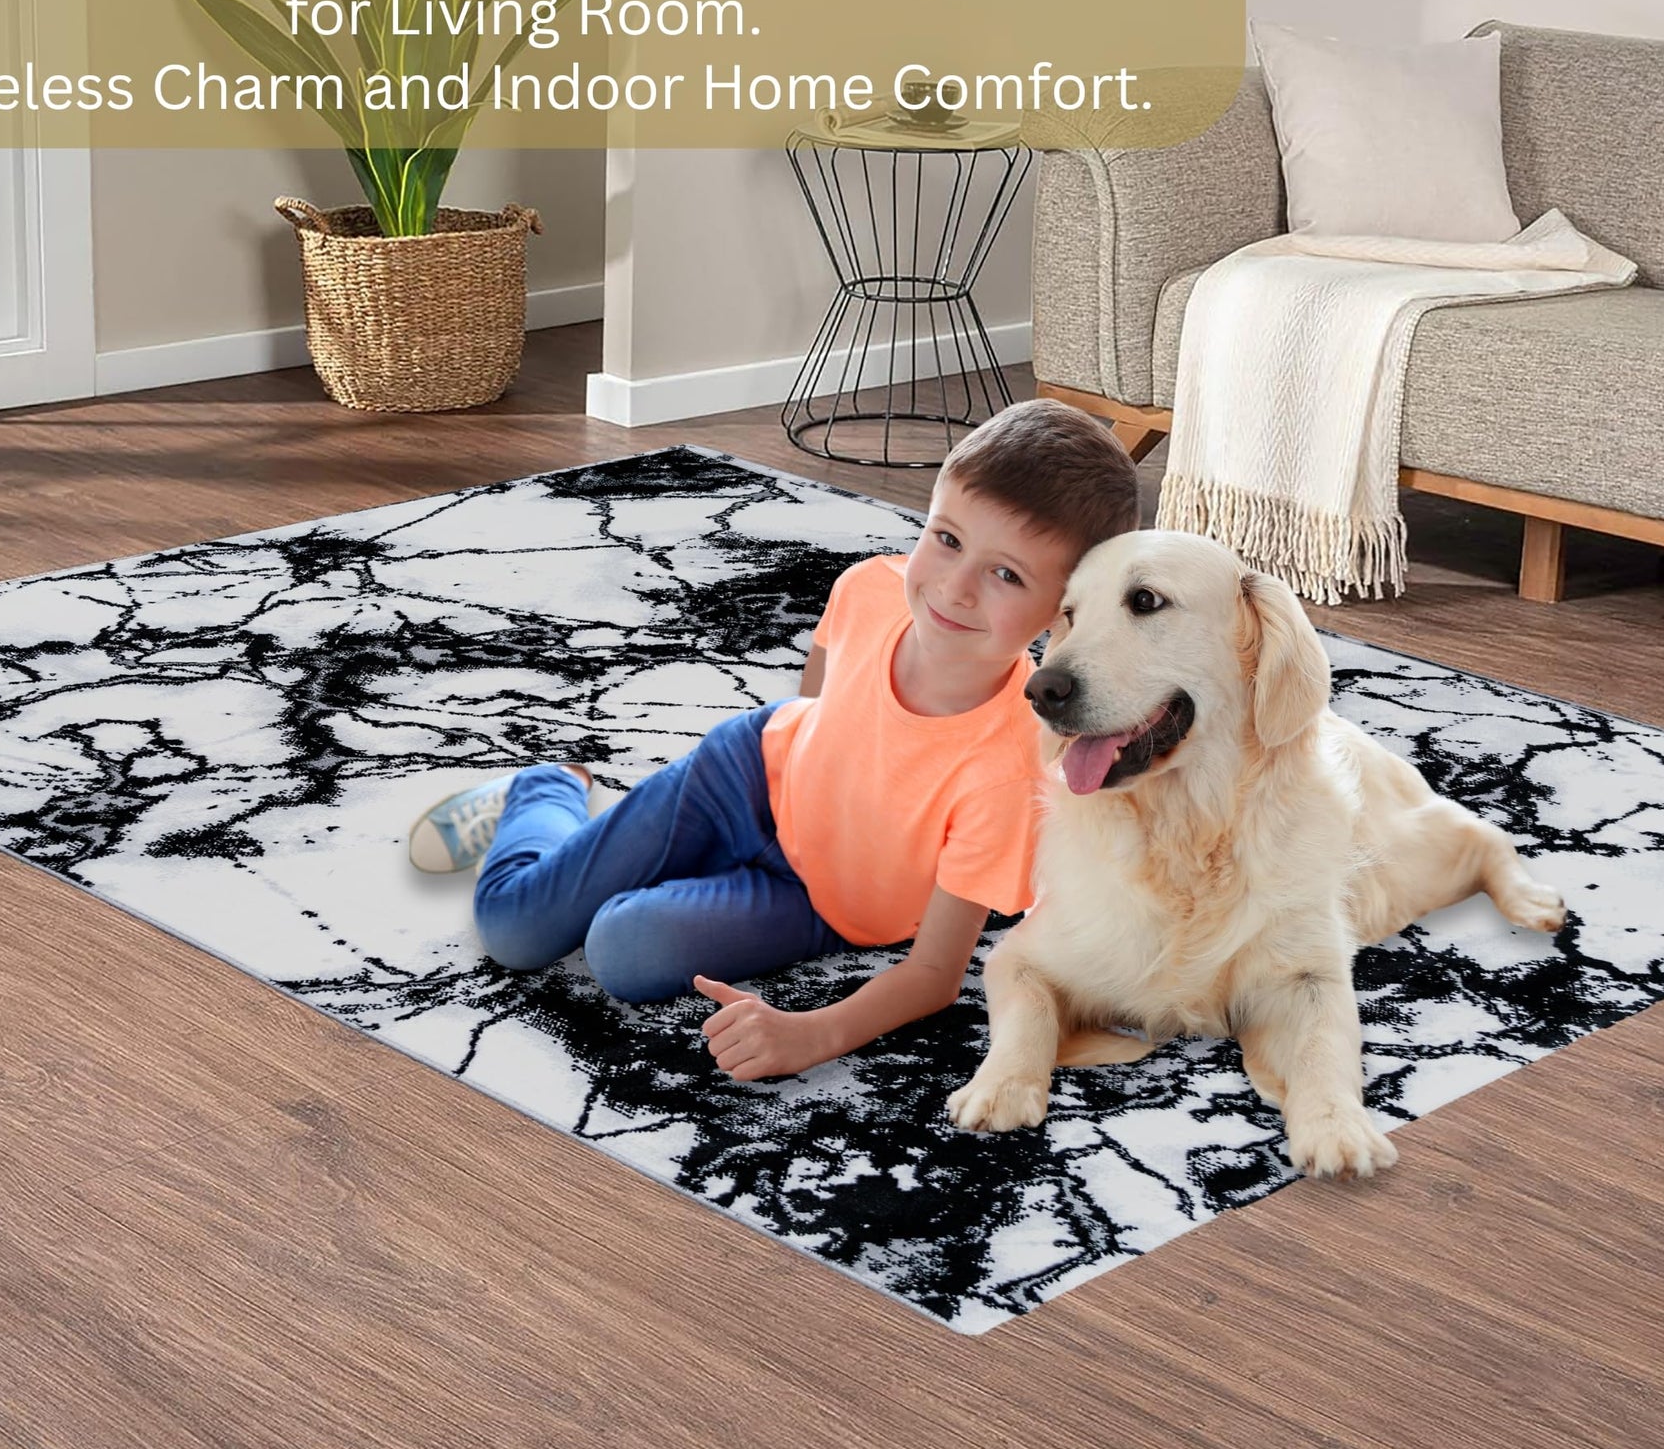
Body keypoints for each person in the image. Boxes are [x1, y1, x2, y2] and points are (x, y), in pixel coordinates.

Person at [408, 398, 1140, 1080]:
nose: (954, 588)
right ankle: (548, 788)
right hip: (742, 776)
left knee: (621, 952)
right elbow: (814, 711)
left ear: (1062, 612)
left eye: (1006, 574)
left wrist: (809, 1034)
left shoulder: (1008, 768)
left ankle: (632, 861)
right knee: (513, 930)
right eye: (946, 539)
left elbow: (934, 976)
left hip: (820, 903)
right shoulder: (868, 590)